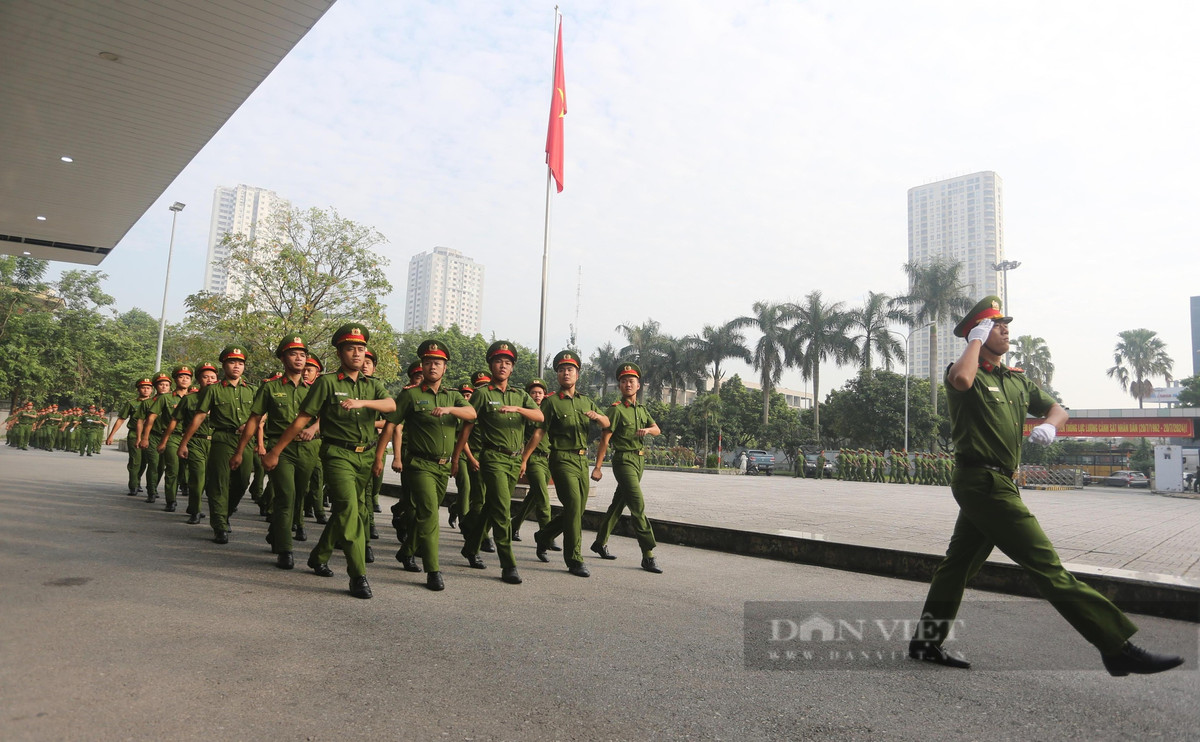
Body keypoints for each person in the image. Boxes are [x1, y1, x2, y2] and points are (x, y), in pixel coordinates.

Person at [909, 296, 1183, 676]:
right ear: (979, 331)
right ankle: (1116, 647)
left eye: (1005, 324)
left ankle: (926, 642)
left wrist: (1051, 424)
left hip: (998, 482)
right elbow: (961, 379)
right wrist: (974, 340)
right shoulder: (967, 371)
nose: (1005, 330)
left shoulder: (1016, 379)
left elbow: (1058, 408)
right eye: (995, 324)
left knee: (956, 568)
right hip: (981, 481)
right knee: (1047, 567)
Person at [262, 323, 395, 600]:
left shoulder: (374, 386)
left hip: (366, 455)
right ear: (339, 352)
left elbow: (392, 406)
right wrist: (275, 451)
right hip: (337, 455)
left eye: (361, 349)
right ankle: (358, 574)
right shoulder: (326, 382)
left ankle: (318, 555)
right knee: (350, 512)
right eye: (350, 348)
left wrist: (363, 404)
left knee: (348, 510)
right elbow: (301, 419)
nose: (357, 354)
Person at [378, 339, 474, 590]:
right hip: (419, 464)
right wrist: (381, 457)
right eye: (429, 362)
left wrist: (450, 409)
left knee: (424, 515)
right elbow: (391, 424)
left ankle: (406, 550)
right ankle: (433, 570)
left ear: (445, 368)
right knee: (431, 514)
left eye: (438, 363)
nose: (433, 366)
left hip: (443, 467)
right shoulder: (411, 395)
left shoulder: (453, 396)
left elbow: (472, 415)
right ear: (422, 366)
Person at [454, 341, 543, 584]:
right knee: (503, 509)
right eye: (498, 361)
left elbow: (539, 416)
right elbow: (467, 425)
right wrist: (457, 457)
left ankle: (471, 547)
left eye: (507, 362)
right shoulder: (482, 394)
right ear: (491, 365)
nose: (502, 366)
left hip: (514, 460)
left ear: (512, 368)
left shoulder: (520, 395)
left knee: (492, 507)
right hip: (492, 458)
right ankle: (508, 564)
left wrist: (519, 409)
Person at [233, 335, 321, 570]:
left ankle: (276, 532)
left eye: (303, 355)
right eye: (294, 354)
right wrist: (240, 451)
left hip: (307, 449)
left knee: (299, 496)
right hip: (280, 449)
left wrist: (314, 428)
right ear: (283, 358)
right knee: (286, 496)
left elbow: (325, 416)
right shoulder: (270, 387)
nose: (299, 359)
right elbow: (254, 419)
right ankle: (285, 549)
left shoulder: (314, 389)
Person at [529, 351, 609, 577]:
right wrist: (524, 459)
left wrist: (597, 417)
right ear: (557, 374)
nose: (566, 373)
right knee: (573, 504)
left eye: (570, 369)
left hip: (582, 459)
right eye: (562, 369)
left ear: (577, 374)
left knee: (577, 509)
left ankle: (544, 535)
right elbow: (539, 432)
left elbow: (607, 423)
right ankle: (574, 559)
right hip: (561, 458)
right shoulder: (551, 402)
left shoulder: (586, 400)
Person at [589, 362, 663, 573]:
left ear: (638, 385)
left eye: (631, 381)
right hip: (623, 461)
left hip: (639, 462)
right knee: (637, 505)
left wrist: (648, 431)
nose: (627, 384)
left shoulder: (642, 409)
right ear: (620, 386)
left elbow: (657, 429)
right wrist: (598, 467)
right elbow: (605, 439)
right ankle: (647, 554)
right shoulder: (616, 410)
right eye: (623, 381)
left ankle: (599, 542)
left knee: (618, 503)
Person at [179, 346, 256, 544]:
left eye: (240, 363)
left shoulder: (253, 390)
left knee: (242, 481)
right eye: (232, 362)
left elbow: (260, 417)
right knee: (219, 483)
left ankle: (225, 513)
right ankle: (219, 524)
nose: (236, 366)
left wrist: (257, 437)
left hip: (246, 440)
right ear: (224, 365)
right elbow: (199, 417)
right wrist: (184, 443)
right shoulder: (213, 390)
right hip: (222, 439)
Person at [166, 363, 218, 524]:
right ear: (198, 380)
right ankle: (195, 510)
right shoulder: (190, 399)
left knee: (211, 479)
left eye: (212, 377)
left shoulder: (222, 397)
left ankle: (195, 505)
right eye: (205, 377)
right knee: (197, 476)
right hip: (196, 441)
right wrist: (176, 442)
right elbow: (175, 420)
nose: (209, 380)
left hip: (216, 442)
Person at [143, 366, 193, 511]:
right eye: (181, 376)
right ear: (175, 380)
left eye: (188, 377)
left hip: (193, 439)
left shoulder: (196, 398)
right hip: (172, 437)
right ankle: (171, 500)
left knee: (192, 471)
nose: (184, 379)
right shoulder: (166, 398)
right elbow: (151, 418)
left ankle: (194, 505)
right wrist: (145, 438)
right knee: (173, 468)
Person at [511, 378, 552, 544]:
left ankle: (514, 525)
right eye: (533, 392)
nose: (537, 395)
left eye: (540, 393)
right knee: (543, 497)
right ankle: (546, 535)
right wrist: (523, 460)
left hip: (548, 458)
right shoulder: (526, 413)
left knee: (534, 495)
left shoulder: (548, 411)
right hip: (532, 457)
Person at [107, 377, 155, 496]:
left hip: (150, 435)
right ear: (138, 389)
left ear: (152, 390)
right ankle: (133, 485)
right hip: (134, 434)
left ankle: (137, 481)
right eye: (143, 387)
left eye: (148, 388)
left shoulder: (156, 403)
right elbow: (121, 419)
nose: (145, 390)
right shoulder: (132, 403)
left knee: (144, 461)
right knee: (135, 461)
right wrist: (111, 435)